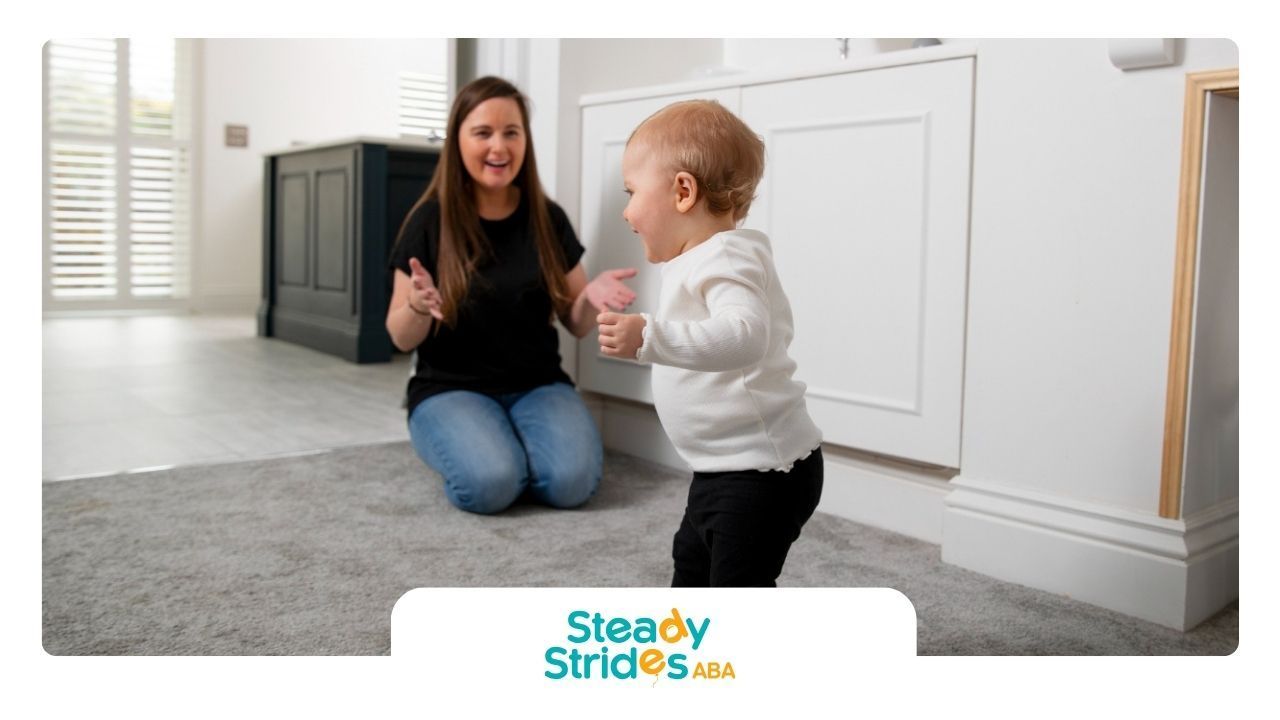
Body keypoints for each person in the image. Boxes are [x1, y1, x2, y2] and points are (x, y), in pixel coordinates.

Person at [596, 99, 824, 587]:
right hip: (722, 468)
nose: (626, 210)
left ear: (683, 191)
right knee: (693, 567)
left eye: (632, 191)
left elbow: (744, 336)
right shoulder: (701, 257)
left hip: (762, 475)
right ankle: (695, 659)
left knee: (735, 588)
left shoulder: (726, 257)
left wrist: (650, 336)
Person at [387, 76, 636, 515]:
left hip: (536, 384)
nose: (498, 148)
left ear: (525, 141)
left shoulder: (547, 218)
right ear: (457, 140)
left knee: (572, 484)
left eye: (511, 132)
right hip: (450, 388)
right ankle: (482, 443)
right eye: (482, 133)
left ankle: (507, 439)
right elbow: (401, 338)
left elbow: (576, 324)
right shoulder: (428, 220)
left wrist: (590, 297)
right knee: (491, 486)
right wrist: (416, 306)